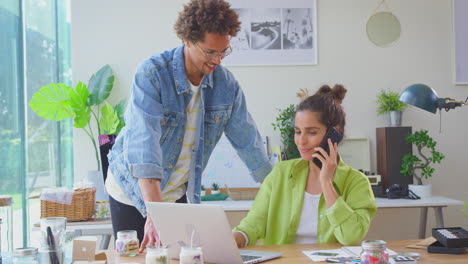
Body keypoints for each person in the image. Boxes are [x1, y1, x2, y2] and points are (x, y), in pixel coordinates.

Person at [105, 0, 273, 252]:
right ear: (187, 40)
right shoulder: (152, 75)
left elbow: (248, 140)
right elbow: (144, 146)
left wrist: (276, 187)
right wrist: (155, 213)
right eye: (210, 52)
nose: (217, 60)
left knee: (182, 257)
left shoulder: (226, 85)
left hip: (179, 195)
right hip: (132, 192)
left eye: (223, 51)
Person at [233, 84, 377, 247]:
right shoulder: (281, 173)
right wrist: (231, 241)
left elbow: (351, 237)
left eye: (311, 132)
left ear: (334, 133)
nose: (301, 141)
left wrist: (327, 183)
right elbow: (253, 224)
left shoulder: (357, 182)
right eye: (298, 131)